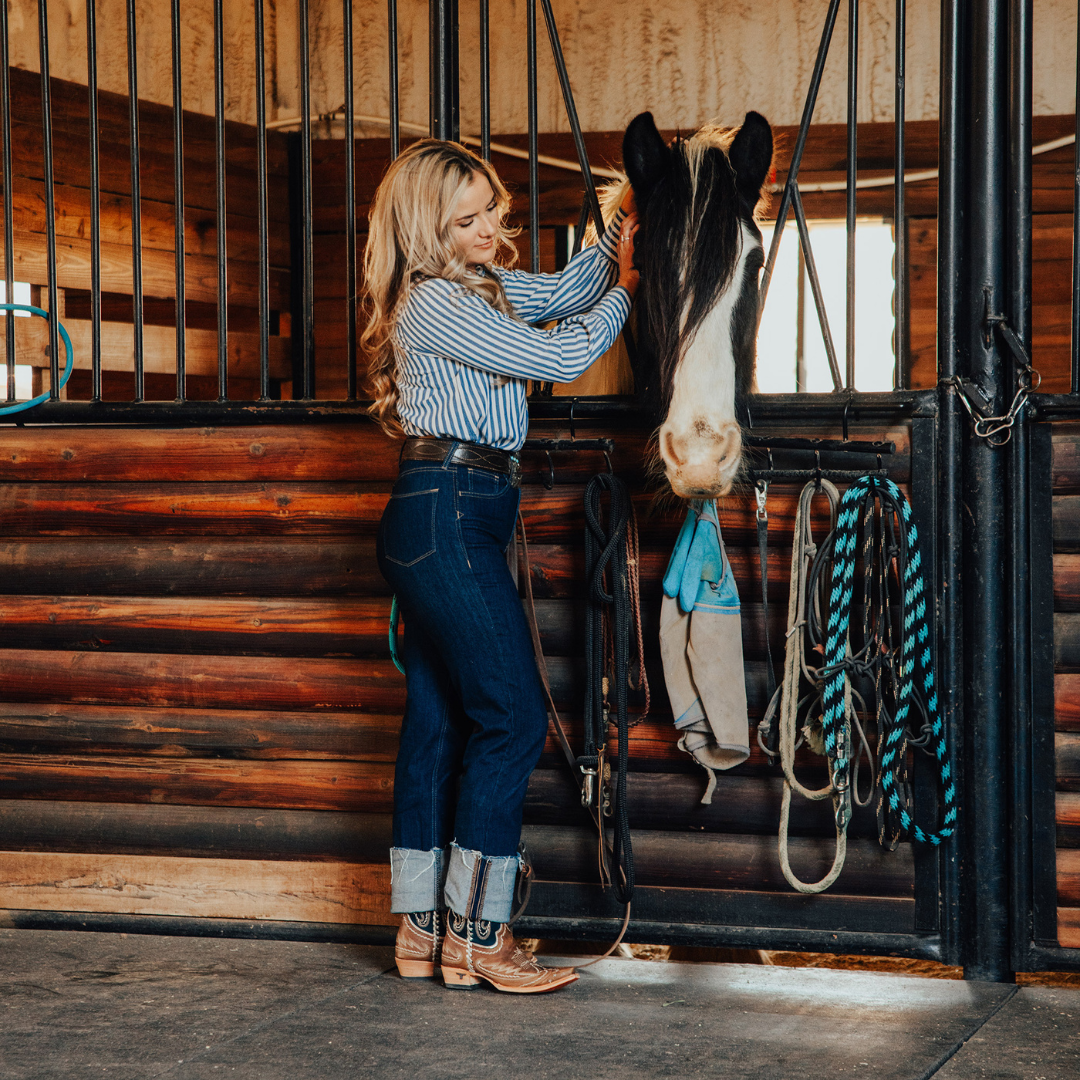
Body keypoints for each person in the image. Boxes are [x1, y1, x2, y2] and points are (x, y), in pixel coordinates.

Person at [362, 138, 639, 993]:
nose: (489, 229)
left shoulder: (481, 287)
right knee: (512, 718)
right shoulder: (434, 302)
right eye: (467, 220)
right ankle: (480, 937)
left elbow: (560, 294)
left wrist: (622, 231)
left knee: (440, 722)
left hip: (453, 510)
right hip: (447, 507)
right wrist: (630, 292)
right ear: (427, 230)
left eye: (492, 210)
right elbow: (559, 356)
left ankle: (423, 931)